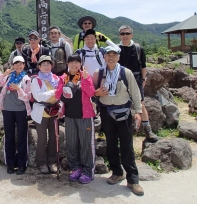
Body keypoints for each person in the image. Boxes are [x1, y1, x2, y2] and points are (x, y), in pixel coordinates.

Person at [93, 46, 144, 196]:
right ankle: (117, 172)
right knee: (111, 144)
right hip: (106, 112)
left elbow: (135, 93)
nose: (111, 57)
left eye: (114, 55)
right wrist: (97, 93)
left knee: (127, 145)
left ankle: (133, 179)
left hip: (124, 112)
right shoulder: (99, 73)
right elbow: (92, 92)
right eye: (108, 54)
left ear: (118, 57)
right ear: (104, 57)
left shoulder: (125, 72)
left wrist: (138, 112)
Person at [56, 54, 96, 184]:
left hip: (85, 115)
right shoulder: (63, 77)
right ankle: (75, 168)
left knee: (86, 144)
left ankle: (87, 170)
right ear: (68, 63)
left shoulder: (85, 76)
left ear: (80, 63)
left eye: (77, 62)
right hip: (69, 116)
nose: (74, 65)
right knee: (71, 143)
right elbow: (58, 95)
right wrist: (65, 86)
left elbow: (91, 93)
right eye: (72, 62)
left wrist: (85, 80)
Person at [118, 25, 159, 142]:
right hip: (121, 79)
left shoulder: (138, 48)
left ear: (131, 34)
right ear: (119, 35)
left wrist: (144, 79)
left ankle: (148, 130)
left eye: (127, 33)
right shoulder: (117, 49)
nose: (125, 36)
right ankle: (121, 134)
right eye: (122, 34)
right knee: (121, 104)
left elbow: (143, 66)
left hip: (136, 78)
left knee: (141, 104)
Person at [0, 56, 31, 175]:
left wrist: (18, 88)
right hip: (7, 110)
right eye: (16, 64)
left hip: (21, 110)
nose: (18, 66)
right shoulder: (9, 76)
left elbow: (27, 96)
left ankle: (21, 164)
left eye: (21, 64)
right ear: (13, 65)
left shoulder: (26, 79)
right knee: (9, 137)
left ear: (24, 65)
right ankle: (10, 163)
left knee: (22, 137)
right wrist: (3, 74)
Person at [30, 55, 62, 174]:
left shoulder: (56, 79)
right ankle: (42, 162)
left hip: (54, 111)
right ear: (39, 66)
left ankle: (52, 161)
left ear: (52, 65)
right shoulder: (36, 80)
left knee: (54, 138)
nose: (46, 66)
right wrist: (54, 92)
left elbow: (61, 95)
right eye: (44, 64)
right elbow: (38, 96)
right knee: (42, 139)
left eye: (48, 64)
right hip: (41, 112)